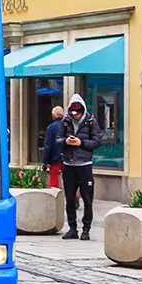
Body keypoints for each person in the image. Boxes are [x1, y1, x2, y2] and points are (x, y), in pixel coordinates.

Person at [55, 93, 103, 241]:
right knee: (70, 199)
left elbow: (96, 142)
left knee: (87, 199)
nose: (75, 116)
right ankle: (72, 229)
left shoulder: (91, 122)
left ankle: (86, 230)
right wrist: (66, 141)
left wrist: (80, 143)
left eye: (78, 113)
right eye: (72, 113)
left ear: (83, 110)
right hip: (69, 164)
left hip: (84, 165)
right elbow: (57, 140)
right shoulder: (65, 121)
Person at [42, 105, 65, 188]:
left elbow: (48, 145)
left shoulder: (51, 128)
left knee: (54, 181)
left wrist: (45, 161)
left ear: (53, 115)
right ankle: (74, 197)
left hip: (55, 159)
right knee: (70, 181)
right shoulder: (68, 126)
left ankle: (55, 198)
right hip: (68, 158)